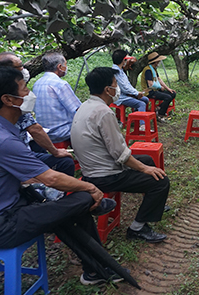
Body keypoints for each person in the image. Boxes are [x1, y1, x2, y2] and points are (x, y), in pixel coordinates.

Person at [0, 67, 126, 286]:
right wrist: (90, 188)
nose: (30, 93)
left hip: (7, 206)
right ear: (8, 99)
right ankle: (96, 264)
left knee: (71, 208)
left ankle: (95, 270)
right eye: (24, 88)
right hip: (0, 224)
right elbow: (50, 178)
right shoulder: (2, 140)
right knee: (82, 198)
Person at [71, 67, 170, 243]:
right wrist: (145, 169)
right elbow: (120, 154)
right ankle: (137, 228)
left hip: (91, 169)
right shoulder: (104, 112)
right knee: (160, 181)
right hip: (105, 176)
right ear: (107, 89)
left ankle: (152, 202)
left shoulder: (85, 106)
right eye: (115, 84)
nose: (117, 89)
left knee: (147, 159)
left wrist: (144, 165)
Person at [0, 52, 75, 176]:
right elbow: (34, 128)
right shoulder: (12, 100)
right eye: (20, 66)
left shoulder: (36, 83)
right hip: (12, 154)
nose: (24, 69)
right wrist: (55, 152)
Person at [33, 52, 81, 144]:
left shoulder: (37, 83)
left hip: (44, 131)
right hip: (62, 133)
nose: (66, 67)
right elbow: (77, 109)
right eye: (65, 64)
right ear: (59, 67)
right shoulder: (60, 84)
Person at [140, 52, 176, 123]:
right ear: (156, 62)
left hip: (155, 90)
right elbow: (150, 84)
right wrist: (159, 87)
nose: (159, 62)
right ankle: (160, 114)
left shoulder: (153, 69)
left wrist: (168, 88)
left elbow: (159, 79)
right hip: (149, 92)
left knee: (172, 93)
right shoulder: (148, 70)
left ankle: (159, 108)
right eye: (159, 61)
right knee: (167, 97)